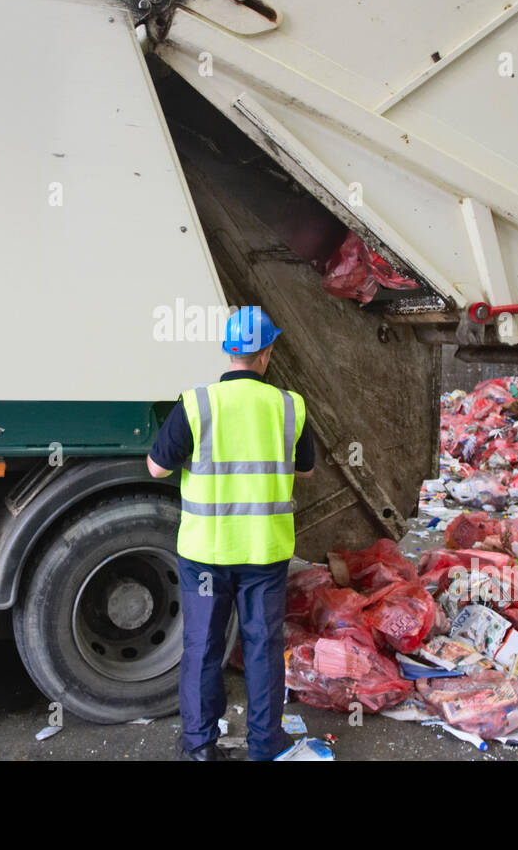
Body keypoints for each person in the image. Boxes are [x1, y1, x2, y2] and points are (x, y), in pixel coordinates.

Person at [146, 306, 314, 761]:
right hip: (264, 554)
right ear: (267, 353)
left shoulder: (198, 403)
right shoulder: (289, 405)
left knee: (202, 646)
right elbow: (307, 466)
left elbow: (157, 466)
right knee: (263, 647)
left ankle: (200, 749)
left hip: (206, 555)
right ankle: (265, 747)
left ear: (227, 351)